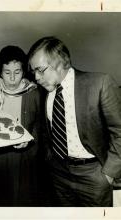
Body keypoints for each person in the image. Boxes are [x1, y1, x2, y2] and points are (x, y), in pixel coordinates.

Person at [28, 36, 121, 207]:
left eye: (40, 70)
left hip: (94, 174)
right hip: (59, 173)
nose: (36, 77)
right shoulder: (44, 93)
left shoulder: (100, 83)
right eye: (33, 71)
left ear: (60, 62)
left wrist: (108, 174)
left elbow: (120, 132)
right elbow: (45, 130)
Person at [0, 45, 52, 206]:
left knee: (22, 201)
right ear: (0, 72)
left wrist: (30, 139)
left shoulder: (34, 93)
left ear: (24, 72)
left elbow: (42, 129)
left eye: (17, 72)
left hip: (25, 158)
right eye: (7, 73)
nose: (12, 78)